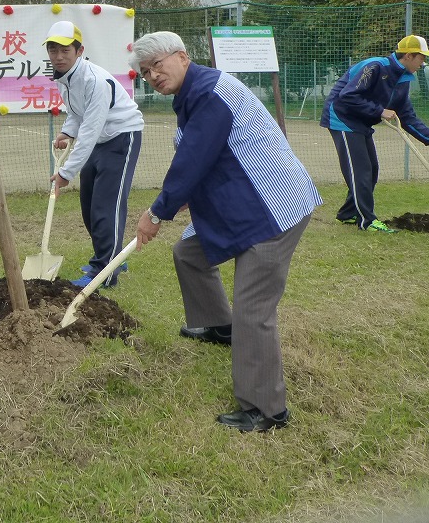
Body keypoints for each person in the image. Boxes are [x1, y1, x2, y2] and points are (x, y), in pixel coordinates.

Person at [131, 31, 321, 433]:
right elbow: (209, 155)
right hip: (242, 202)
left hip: (272, 208)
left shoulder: (210, 92)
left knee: (253, 310)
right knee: (189, 254)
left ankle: (266, 410)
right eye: (145, 72)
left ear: (182, 57)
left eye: (157, 66)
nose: (152, 76)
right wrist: (184, 197)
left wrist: (156, 212)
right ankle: (220, 326)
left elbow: (193, 158)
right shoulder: (196, 89)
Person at [45, 20, 144, 289]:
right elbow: (77, 114)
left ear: (79, 51)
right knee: (89, 207)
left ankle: (105, 272)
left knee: (106, 206)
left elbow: (90, 129)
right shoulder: (65, 78)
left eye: (65, 50)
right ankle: (112, 256)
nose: (58, 56)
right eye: (53, 50)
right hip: (99, 140)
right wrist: (66, 133)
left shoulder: (94, 80)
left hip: (121, 137)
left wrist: (66, 173)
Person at [320, 34, 429, 232]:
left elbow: (407, 116)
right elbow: (347, 96)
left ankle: (347, 214)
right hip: (342, 118)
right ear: (408, 56)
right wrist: (380, 111)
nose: (423, 63)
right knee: (361, 171)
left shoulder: (403, 79)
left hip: (362, 123)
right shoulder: (375, 67)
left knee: (372, 169)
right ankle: (368, 221)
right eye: (421, 58)